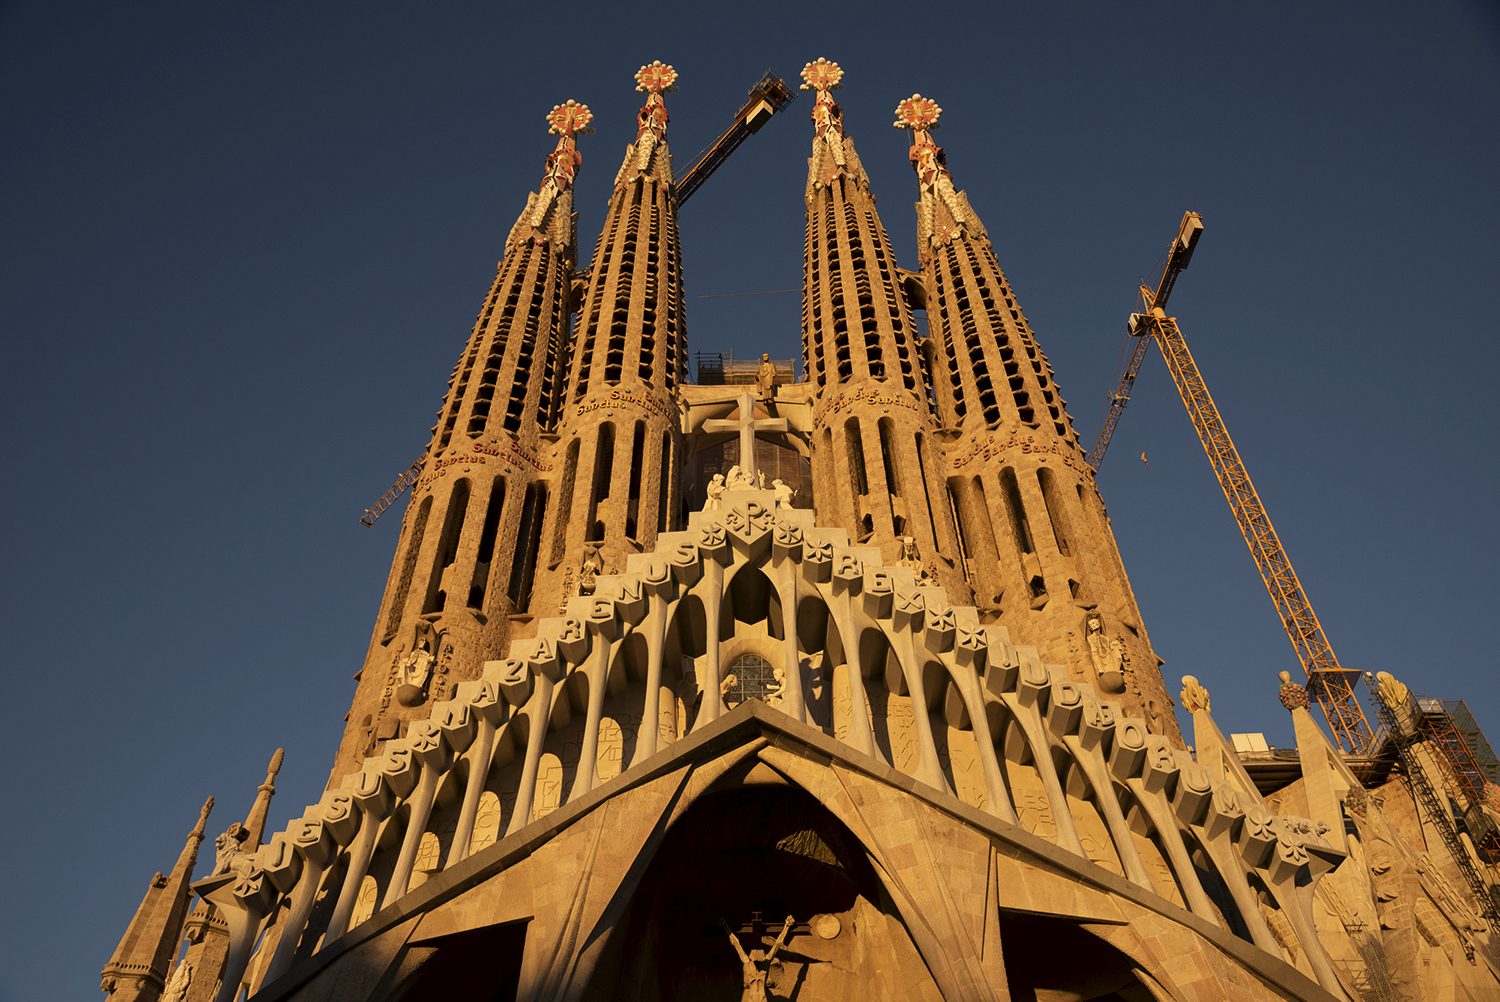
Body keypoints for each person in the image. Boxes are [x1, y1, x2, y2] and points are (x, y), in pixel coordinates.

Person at [720, 915, 795, 1002]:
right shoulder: (762, 967)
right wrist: (787, 926)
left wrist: (787, 926)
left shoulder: (750, 965)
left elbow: (737, 945)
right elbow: (777, 945)